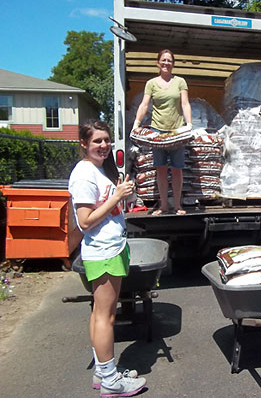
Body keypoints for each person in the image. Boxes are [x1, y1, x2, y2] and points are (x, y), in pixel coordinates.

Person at [68, 120, 146, 397]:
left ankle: (103, 372)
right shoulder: (83, 174)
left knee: (100, 314)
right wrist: (116, 198)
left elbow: (106, 209)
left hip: (111, 247)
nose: (103, 145)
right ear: (83, 144)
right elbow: (85, 221)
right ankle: (112, 381)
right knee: (106, 317)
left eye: (106, 140)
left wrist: (124, 194)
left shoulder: (99, 170)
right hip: (102, 252)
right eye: (97, 141)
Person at [133, 49, 192, 216]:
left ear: (173, 64)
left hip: (176, 131)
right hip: (157, 131)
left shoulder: (180, 82)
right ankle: (164, 205)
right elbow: (145, 105)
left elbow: (185, 103)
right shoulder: (151, 83)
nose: (166, 63)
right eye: (163, 60)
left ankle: (178, 205)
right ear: (158, 63)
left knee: (176, 169)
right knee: (160, 169)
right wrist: (137, 124)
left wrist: (189, 124)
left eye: (169, 60)